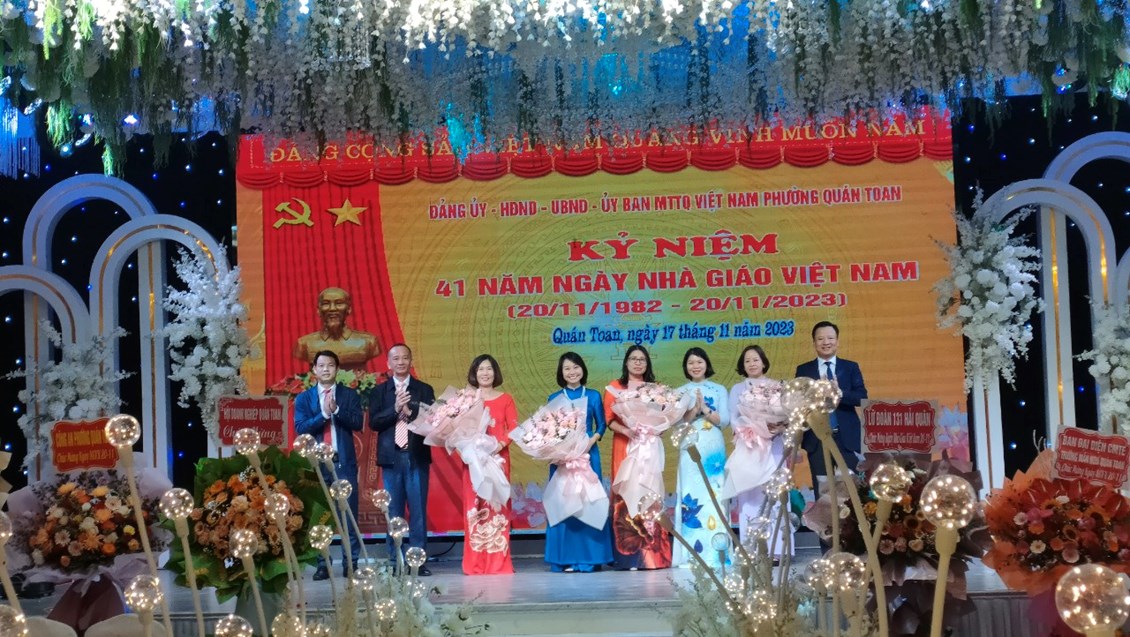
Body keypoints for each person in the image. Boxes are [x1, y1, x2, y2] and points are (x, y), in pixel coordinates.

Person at [293, 350, 364, 579]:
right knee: (319, 517)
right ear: (314, 369)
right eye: (321, 365)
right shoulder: (304, 398)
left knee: (348, 516)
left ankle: (351, 562)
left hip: (342, 463)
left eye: (330, 365)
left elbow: (358, 423)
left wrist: (337, 411)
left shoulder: (349, 395)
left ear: (337, 369)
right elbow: (301, 428)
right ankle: (322, 563)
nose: (326, 369)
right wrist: (324, 414)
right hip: (316, 466)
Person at [369, 343, 435, 576]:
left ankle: (418, 561)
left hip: (416, 457)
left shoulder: (424, 390)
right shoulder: (379, 391)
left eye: (405, 358)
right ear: (388, 363)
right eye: (396, 358)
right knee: (393, 512)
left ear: (411, 361)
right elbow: (374, 422)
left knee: (418, 511)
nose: (400, 362)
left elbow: (432, 422)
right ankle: (395, 559)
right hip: (391, 458)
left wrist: (410, 413)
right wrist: (395, 408)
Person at [605, 345, 672, 570]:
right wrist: (628, 430)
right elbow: (609, 420)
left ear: (647, 363)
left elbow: (665, 419)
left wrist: (655, 428)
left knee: (650, 493)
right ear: (626, 362)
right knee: (627, 493)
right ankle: (628, 558)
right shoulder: (615, 387)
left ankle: (654, 557)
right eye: (633, 359)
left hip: (649, 448)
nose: (637, 363)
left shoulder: (656, 389)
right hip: (625, 446)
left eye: (642, 359)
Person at [544, 352, 614, 572]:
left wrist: (589, 441)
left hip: (587, 455)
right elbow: (547, 429)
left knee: (588, 500)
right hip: (562, 458)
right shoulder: (554, 397)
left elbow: (601, 425)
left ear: (583, 369)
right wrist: (559, 448)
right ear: (561, 372)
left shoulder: (593, 395)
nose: (572, 372)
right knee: (563, 501)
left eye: (576, 367)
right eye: (567, 368)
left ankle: (590, 558)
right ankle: (564, 558)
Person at [727, 345, 790, 554]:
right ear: (742, 365)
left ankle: (777, 549)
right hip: (749, 446)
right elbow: (733, 418)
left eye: (755, 359)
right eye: (747, 361)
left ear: (763, 362)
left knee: (775, 495)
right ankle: (752, 549)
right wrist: (753, 429)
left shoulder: (777, 387)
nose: (752, 364)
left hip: (774, 446)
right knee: (750, 496)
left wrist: (777, 427)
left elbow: (787, 416)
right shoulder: (737, 389)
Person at [795, 321, 868, 493]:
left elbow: (862, 398)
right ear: (814, 343)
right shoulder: (804, 370)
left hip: (847, 438)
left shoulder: (850, 367)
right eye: (820, 339)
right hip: (817, 439)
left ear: (837, 341)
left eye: (830, 338)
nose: (826, 342)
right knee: (823, 492)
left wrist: (839, 393)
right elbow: (799, 402)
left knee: (855, 490)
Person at [674, 347, 730, 567]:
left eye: (699, 362)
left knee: (715, 494)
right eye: (691, 363)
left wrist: (705, 409)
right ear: (685, 367)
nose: (695, 366)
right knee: (691, 495)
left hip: (713, 447)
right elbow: (678, 424)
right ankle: (691, 554)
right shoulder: (680, 391)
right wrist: (693, 410)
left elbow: (724, 421)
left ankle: (718, 552)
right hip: (690, 443)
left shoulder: (718, 389)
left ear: (707, 364)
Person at [462, 354, 517, 575]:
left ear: (496, 372)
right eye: (481, 369)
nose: (485, 373)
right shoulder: (467, 399)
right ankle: (475, 563)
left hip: (497, 459)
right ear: (474, 373)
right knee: (474, 508)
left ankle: (498, 562)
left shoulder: (506, 399)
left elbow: (513, 428)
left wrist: (497, 446)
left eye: (489, 369)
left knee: (497, 506)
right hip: (474, 461)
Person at [293, 287, 382, 368]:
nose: (332, 308)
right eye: (326, 304)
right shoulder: (304, 344)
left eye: (339, 303)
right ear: (318, 310)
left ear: (349, 309)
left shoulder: (368, 341)